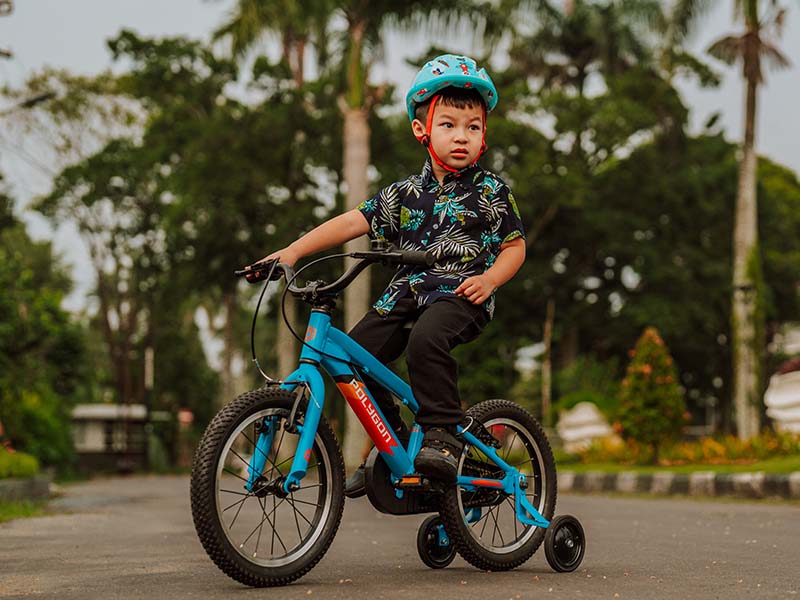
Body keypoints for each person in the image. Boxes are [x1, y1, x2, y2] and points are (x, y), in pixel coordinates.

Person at [256, 54, 526, 496]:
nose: (462, 136)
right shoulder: (404, 193)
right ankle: (394, 445)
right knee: (355, 357)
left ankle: (441, 434)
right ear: (422, 130)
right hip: (404, 294)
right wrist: (293, 250)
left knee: (426, 340)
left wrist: (491, 280)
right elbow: (352, 221)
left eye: (473, 127)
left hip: (461, 293)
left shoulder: (490, 190)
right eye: (448, 125)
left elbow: (515, 247)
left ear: (484, 137)